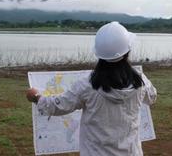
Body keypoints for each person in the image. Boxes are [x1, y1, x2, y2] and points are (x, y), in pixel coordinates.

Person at [26, 21, 157, 156]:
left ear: (98, 54)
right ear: (127, 51)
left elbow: (58, 106)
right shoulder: (140, 82)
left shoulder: (86, 86)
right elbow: (152, 97)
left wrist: (36, 97)